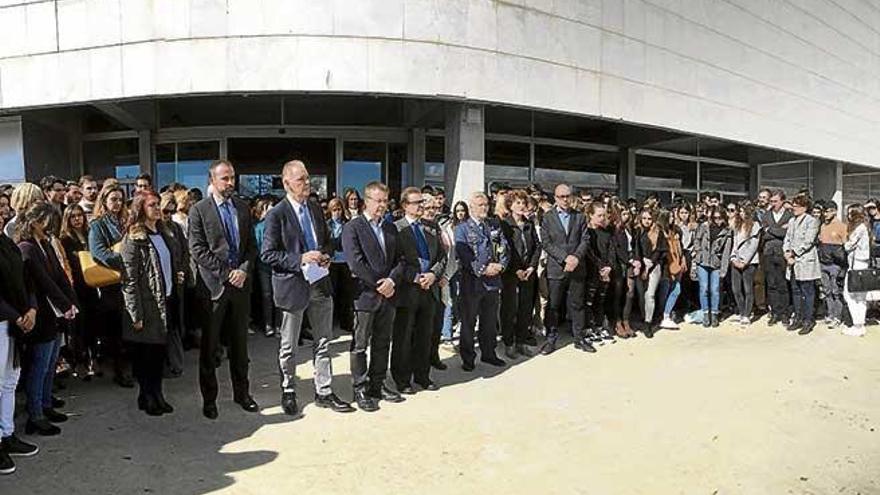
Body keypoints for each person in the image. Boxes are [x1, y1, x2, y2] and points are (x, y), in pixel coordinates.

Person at [261, 161, 354, 417]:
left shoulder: (314, 208)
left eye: (308, 177)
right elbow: (268, 254)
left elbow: (325, 242)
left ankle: (323, 391)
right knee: (289, 346)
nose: (307, 183)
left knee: (323, 341)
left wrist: (324, 254)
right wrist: (300, 258)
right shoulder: (276, 214)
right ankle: (288, 389)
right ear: (286, 183)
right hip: (293, 286)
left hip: (320, 282)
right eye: (301, 179)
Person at [188, 160, 259, 419]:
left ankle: (242, 393)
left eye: (232, 178)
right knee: (210, 348)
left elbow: (252, 245)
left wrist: (244, 269)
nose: (230, 183)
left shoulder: (242, 207)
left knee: (240, 346)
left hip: (240, 289)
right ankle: (209, 399)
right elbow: (197, 250)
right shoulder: (199, 210)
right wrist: (228, 273)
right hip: (214, 289)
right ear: (212, 180)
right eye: (225, 179)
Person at [342, 181, 412, 412]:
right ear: (367, 201)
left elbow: (401, 260)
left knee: (383, 342)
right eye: (378, 201)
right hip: (365, 297)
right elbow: (356, 263)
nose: (383, 205)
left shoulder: (391, 227)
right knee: (360, 345)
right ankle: (360, 388)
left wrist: (392, 281)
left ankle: (377, 383)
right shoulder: (353, 227)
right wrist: (379, 285)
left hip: (389, 295)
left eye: (385, 201)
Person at [120, 192, 186, 416]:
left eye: (158, 204)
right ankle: (147, 396)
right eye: (152, 205)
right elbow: (129, 280)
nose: (157, 209)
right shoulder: (133, 238)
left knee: (159, 354)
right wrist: (134, 313)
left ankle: (157, 394)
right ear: (140, 209)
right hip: (146, 305)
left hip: (165, 300)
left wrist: (177, 276)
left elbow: (169, 263)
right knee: (145, 355)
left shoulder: (165, 234)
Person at [15, 203, 77, 436]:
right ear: (34, 222)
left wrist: (72, 302)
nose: (50, 227)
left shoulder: (45, 245)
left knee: (50, 363)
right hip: (39, 315)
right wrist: (65, 304)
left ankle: (46, 403)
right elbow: (43, 282)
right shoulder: (27, 248)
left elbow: (59, 276)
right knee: (39, 366)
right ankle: (36, 414)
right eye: (46, 222)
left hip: (53, 314)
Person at [391, 187, 446, 393]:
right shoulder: (396, 229)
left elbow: (442, 256)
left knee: (425, 335)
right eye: (417, 203)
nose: (422, 206)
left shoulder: (432, 228)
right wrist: (413, 277)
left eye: (422, 202)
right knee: (404, 336)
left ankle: (422, 376)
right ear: (405, 205)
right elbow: (395, 261)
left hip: (429, 290)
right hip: (407, 290)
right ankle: (402, 379)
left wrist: (433, 274)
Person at [0, 210, 40, 474]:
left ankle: (7, 434)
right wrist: (17, 316)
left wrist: (32, 309)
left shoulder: (6, 242)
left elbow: (26, 279)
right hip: (6, 321)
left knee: (10, 381)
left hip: (15, 322)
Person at [455, 191, 509, 369]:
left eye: (486, 204)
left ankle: (489, 353)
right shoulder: (462, 228)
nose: (484, 207)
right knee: (469, 323)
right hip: (472, 283)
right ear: (471, 207)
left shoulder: (493, 225)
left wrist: (501, 266)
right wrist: (483, 269)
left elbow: (504, 246)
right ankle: (468, 359)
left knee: (489, 322)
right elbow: (464, 255)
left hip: (493, 283)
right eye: (480, 205)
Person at [89, 184, 134, 388]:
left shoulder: (127, 221)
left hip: (131, 282)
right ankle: (119, 371)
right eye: (113, 199)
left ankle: (131, 367)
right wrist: (126, 261)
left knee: (131, 326)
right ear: (104, 201)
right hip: (112, 284)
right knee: (116, 330)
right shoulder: (98, 224)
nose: (117, 204)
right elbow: (99, 253)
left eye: (120, 200)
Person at [539, 184, 590, 354]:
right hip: (556, 268)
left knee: (577, 304)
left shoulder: (580, 217)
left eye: (568, 196)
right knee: (553, 305)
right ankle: (551, 340)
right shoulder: (547, 217)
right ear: (555, 198)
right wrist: (564, 257)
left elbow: (585, 240)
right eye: (561, 196)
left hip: (577, 267)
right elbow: (546, 243)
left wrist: (575, 257)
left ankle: (579, 338)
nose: (565, 199)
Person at [60, 204, 99, 380]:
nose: (77, 219)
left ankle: (92, 359)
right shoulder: (65, 240)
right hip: (76, 287)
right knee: (78, 327)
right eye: (73, 216)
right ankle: (78, 361)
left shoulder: (89, 235)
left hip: (92, 284)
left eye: (80, 215)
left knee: (93, 324)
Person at [500, 190, 540, 358]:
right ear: (510, 205)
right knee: (510, 309)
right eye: (518, 203)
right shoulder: (504, 224)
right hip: (511, 273)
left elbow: (537, 246)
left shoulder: (529, 224)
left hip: (528, 273)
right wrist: (516, 269)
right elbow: (505, 250)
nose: (522, 206)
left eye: (523, 203)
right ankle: (509, 343)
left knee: (525, 309)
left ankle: (521, 342)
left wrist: (531, 267)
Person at [158, 191, 189, 377]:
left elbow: (185, 251)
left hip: (177, 283)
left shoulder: (176, 228)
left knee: (176, 323)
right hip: (161, 286)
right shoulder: (154, 229)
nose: (168, 215)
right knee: (164, 326)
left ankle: (176, 363)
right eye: (165, 211)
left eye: (171, 211)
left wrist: (182, 271)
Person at [783, 193, 821, 335]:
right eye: (793, 205)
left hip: (805, 261)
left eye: (797, 206)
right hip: (792, 262)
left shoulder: (811, 221)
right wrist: (786, 252)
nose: (794, 208)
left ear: (804, 207)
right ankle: (797, 318)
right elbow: (787, 238)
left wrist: (793, 252)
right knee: (796, 291)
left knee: (808, 292)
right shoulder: (792, 221)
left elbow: (809, 241)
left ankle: (808, 320)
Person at [692, 206, 732, 328]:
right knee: (703, 288)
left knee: (715, 289)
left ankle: (714, 313)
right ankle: (705, 313)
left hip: (716, 263)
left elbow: (726, 251)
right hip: (702, 261)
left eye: (720, 218)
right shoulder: (704, 226)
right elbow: (697, 240)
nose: (717, 220)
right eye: (715, 218)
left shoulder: (727, 231)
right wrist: (698, 253)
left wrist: (724, 269)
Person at [633, 208, 668, 336]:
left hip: (654, 266)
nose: (647, 221)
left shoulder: (658, 232)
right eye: (644, 218)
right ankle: (644, 317)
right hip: (640, 265)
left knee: (650, 294)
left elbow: (660, 250)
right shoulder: (637, 231)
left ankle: (648, 323)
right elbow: (635, 248)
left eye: (649, 218)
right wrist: (641, 261)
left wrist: (650, 263)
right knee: (641, 294)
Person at [761, 190, 793, 326]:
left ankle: (784, 312)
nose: (773, 204)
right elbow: (764, 234)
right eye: (771, 201)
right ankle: (775, 312)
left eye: (775, 201)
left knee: (782, 284)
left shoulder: (789, 216)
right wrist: (779, 230)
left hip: (782, 253)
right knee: (771, 284)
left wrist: (771, 230)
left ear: (782, 201)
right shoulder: (766, 215)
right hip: (768, 253)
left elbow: (787, 234)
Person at [583, 201, 613, 345]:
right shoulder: (586, 233)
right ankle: (588, 329)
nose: (602, 218)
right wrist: (601, 267)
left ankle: (600, 327)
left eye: (604, 215)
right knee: (588, 301)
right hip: (591, 272)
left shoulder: (606, 233)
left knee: (600, 301)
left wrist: (609, 267)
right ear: (590, 215)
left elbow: (611, 251)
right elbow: (589, 253)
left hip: (605, 273)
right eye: (599, 215)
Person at [729, 201, 761, 327]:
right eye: (739, 211)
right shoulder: (737, 225)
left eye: (742, 211)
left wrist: (744, 261)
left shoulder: (755, 226)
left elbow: (754, 246)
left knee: (748, 289)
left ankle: (747, 314)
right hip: (736, 261)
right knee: (736, 289)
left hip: (749, 262)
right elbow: (735, 244)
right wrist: (733, 258)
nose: (740, 213)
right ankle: (741, 312)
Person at [608, 203, 638, 338]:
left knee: (630, 293)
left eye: (627, 213)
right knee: (618, 294)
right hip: (619, 265)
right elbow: (617, 249)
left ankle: (626, 321)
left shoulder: (629, 228)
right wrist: (629, 260)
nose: (627, 216)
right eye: (624, 213)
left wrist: (635, 260)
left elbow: (633, 246)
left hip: (630, 263)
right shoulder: (612, 229)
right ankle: (617, 322)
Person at [252, 197, 279, 338]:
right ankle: (268, 324)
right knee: (267, 295)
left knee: (278, 295)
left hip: (278, 265)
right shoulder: (258, 227)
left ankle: (279, 325)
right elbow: (256, 247)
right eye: (269, 207)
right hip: (263, 266)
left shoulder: (278, 225)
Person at [817, 201, 847, 329]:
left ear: (835, 211)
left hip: (836, 264)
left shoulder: (841, 226)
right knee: (827, 291)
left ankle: (837, 316)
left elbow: (845, 246)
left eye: (828, 211)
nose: (825, 214)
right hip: (823, 262)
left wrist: (842, 266)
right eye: (824, 211)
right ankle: (830, 313)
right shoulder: (823, 226)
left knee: (836, 291)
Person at [326, 198, 354, 333]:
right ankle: (330, 321)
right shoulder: (327, 225)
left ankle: (345, 321)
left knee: (346, 293)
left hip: (344, 262)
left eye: (339, 209)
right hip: (331, 262)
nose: (337, 212)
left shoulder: (347, 224)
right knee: (332, 292)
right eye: (334, 210)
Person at [842, 205, 870, 337]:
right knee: (860, 297)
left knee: (851, 295)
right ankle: (860, 325)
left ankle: (857, 325)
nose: (848, 216)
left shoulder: (859, 228)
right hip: (861, 264)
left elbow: (848, 245)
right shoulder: (865, 226)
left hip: (856, 265)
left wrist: (843, 240)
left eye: (850, 213)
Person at [659, 209, 687, 330]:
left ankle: (666, 315)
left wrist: (683, 259)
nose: (672, 218)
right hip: (666, 266)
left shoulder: (676, 231)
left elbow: (681, 247)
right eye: (670, 216)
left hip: (677, 263)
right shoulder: (660, 232)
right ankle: (662, 315)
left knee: (676, 290)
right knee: (664, 292)